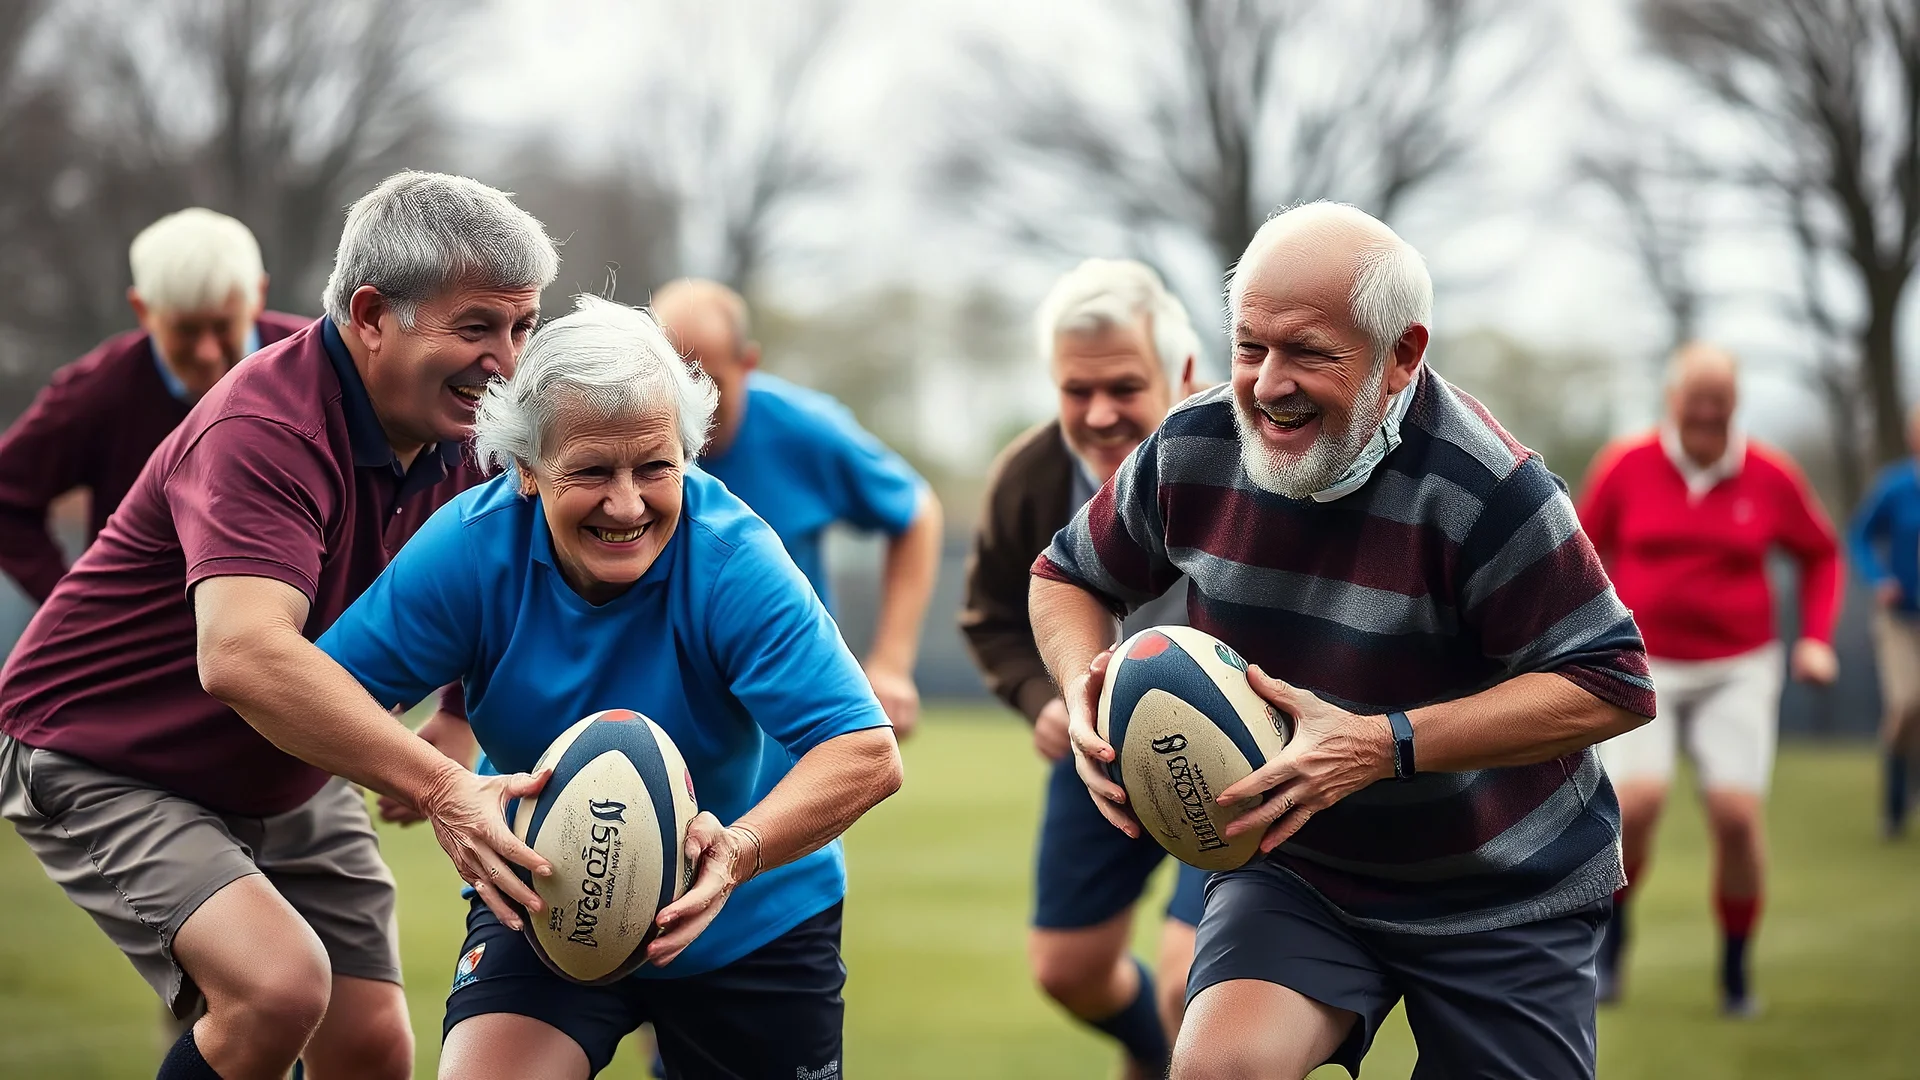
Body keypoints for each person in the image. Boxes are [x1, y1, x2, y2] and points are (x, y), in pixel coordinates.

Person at [1031, 201, 1656, 1080]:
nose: (1268, 383)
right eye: (1250, 347)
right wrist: (1081, 690)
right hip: (1301, 871)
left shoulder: (1489, 489)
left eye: (1309, 353)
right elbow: (1067, 574)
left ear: (1401, 355)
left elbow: (1611, 681)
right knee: (1218, 1070)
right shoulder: (1194, 446)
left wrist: (1381, 745)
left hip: (1501, 886)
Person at [0, 170, 558, 1080]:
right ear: (373, 314)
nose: (505, 363)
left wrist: (456, 709)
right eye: (474, 329)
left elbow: (487, 575)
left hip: (281, 764)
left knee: (371, 1044)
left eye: (520, 327)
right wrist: (442, 785)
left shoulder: (468, 437)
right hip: (105, 752)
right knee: (277, 990)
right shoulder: (269, 427)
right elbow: (243, 656)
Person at [316, 295, 902, 1080]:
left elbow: (865, 751)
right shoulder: (471, 548)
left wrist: (738, 852)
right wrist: (437, 787)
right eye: (591, 470)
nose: (627, 504)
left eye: (655, 468)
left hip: (755, 918)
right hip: (544, 905)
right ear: (526, 469)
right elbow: (320, 695)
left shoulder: (733, 561)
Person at [960, 258, 1205, 1079]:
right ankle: (1155, 1053)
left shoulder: (1250, 464)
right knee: (1065, 970)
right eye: (1076, 391)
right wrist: (1042, 699)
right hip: (1097, 752)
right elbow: (992, 617)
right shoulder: (1030, 478)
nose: (1099, 414)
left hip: (1244, 749)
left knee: (1193, 983)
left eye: (1125, 387)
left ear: (1184, 375)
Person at [1579, 343, 1841, 1014]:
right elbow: (1574, 550)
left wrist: (1814, 639)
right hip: (1642, 664)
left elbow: (1821, 554)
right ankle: (1613, 948)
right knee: (1635, 806)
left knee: (1734, 815)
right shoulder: (1627, 467)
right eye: (1693, 401)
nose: (1704, 415)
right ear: (1672, 401)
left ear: (1733, 405)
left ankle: (1734, 970)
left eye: (1717, 404)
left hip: (1738, 667)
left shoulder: (1769, 475)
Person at [651, 278, 941, 737]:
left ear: (747, 364)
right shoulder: (622, 438)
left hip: (780, 707)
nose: (692, 406)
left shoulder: (804, 432)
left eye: (708, 383)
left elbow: (916, 511)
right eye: (673, 382)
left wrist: (891, 662)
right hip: (662, 701)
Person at [0, 207, 307, 603]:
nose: (208, 352)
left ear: (258, 296)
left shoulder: (316, 368)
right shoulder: (100, 393)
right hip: (143, 649)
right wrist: (79, 609)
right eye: (186, 330)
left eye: (222, 326)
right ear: (143, 310)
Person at [1851, 401, 1920, 837]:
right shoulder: (1895, 488)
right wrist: (1879, 578)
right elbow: (1859, 536)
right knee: (1908, 704)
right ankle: (1896, 799)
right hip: (1900, 620)